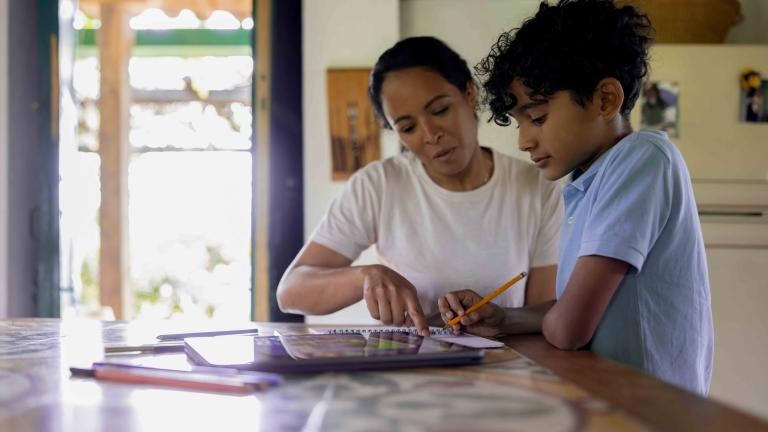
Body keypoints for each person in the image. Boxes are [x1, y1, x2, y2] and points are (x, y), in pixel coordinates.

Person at [438, 0, 713, 395]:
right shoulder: (587, 182)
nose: (524, 140)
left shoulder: (641, 160)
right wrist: (504, 319)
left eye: (538, 117)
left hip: (651, 408)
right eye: (519, 123)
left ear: (605, 100)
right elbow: (579, 309)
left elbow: (569, 328)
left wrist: (559, 319)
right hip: (613, 397)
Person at [277, 36, 563, 336]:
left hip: (507, 370)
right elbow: (291, 292)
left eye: (440, 110)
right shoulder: (379, 185)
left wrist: (503, 318)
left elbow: (544, 313)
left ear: (469, 94)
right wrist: (366, 276)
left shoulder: (537, 187)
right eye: (408, 127)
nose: (430, 134)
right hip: (412, 372)